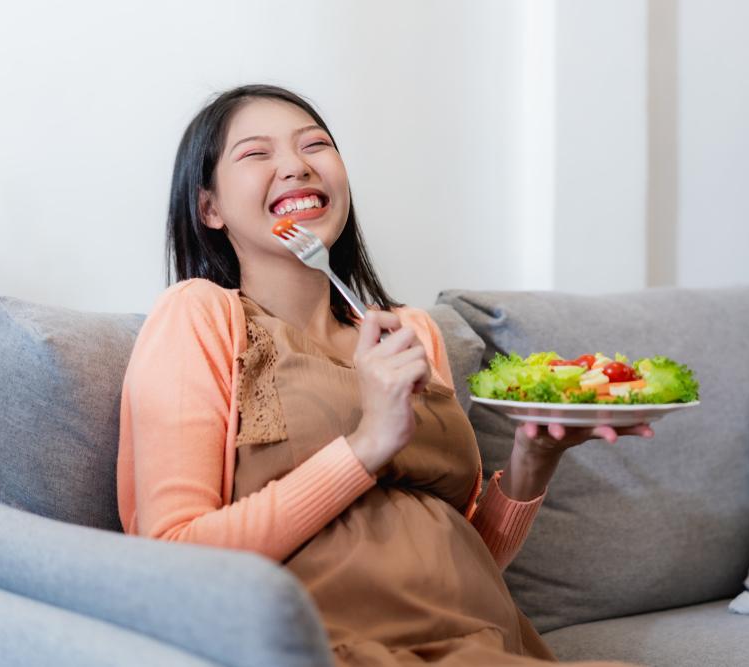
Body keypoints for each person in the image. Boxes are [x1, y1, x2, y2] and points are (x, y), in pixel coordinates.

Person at [117, 84, 652, 666]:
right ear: (209, 209)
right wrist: (367, 443)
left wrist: (532, 460)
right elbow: (174, 560)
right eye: (256, 154)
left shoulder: (410, 334)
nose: (296, 166)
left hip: (481, 641)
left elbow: (462, 556)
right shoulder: (199, 316)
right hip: (335, 647)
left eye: (315, 145)